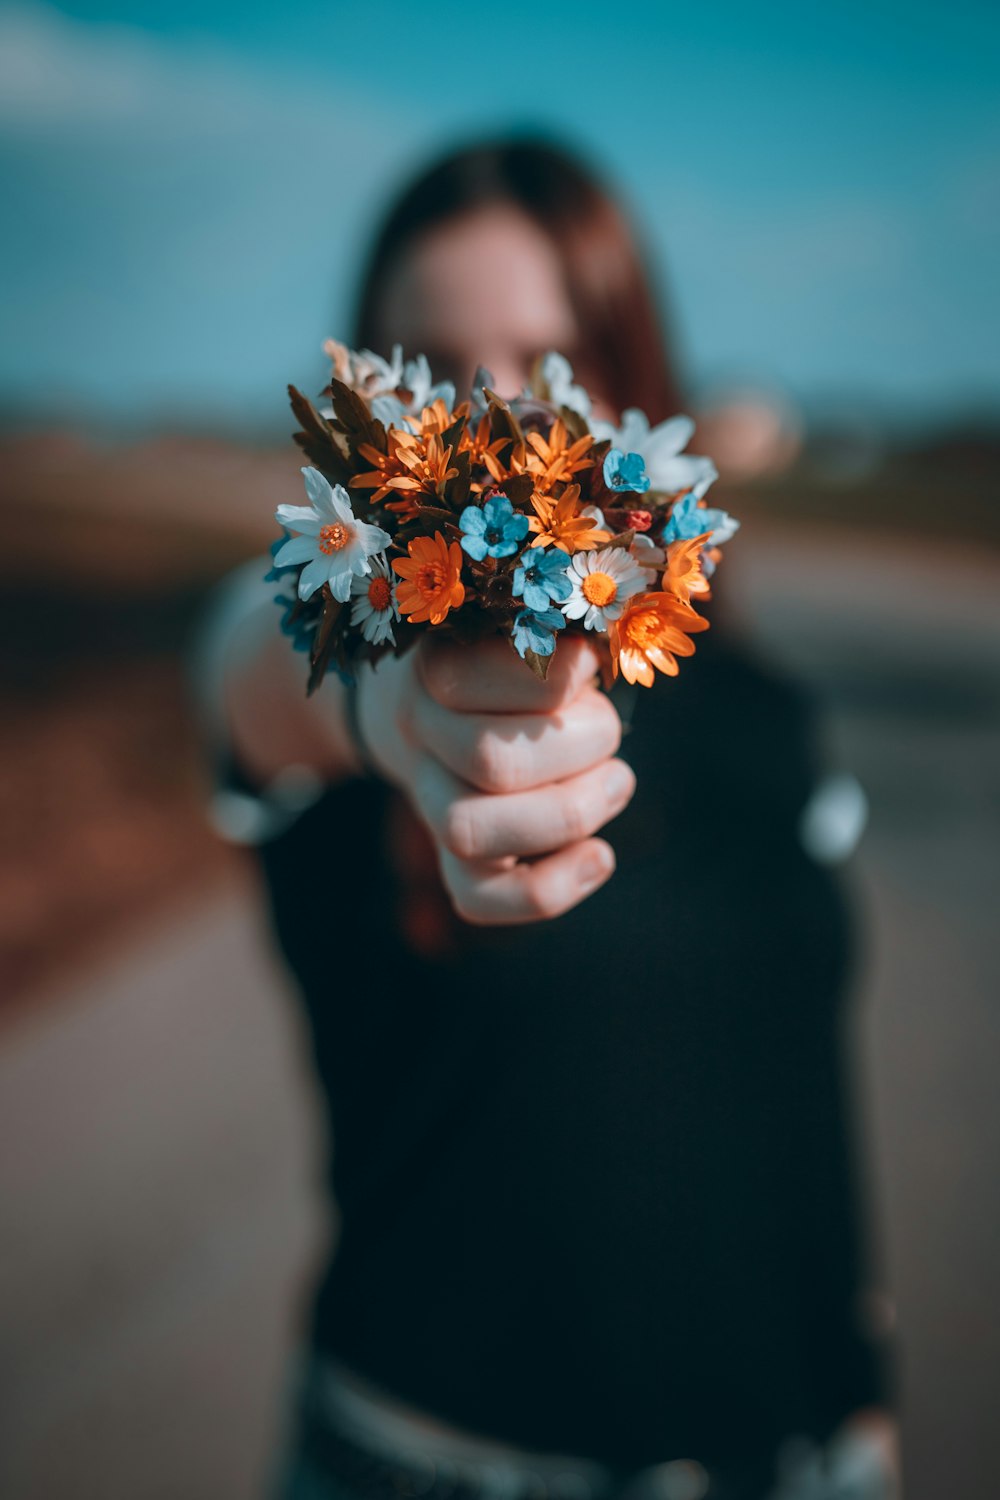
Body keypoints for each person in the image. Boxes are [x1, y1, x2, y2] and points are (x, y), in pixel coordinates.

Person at [206, 138, 898, 1499]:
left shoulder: (763, 712)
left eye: (544, 361)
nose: (501, 423)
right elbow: (245, 660)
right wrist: (382, 711)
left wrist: (865, 1392)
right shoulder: (350, 655)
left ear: (632, 383)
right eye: (442, 372)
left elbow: (801, 1095)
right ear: (369, 415)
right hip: (426, 1468)